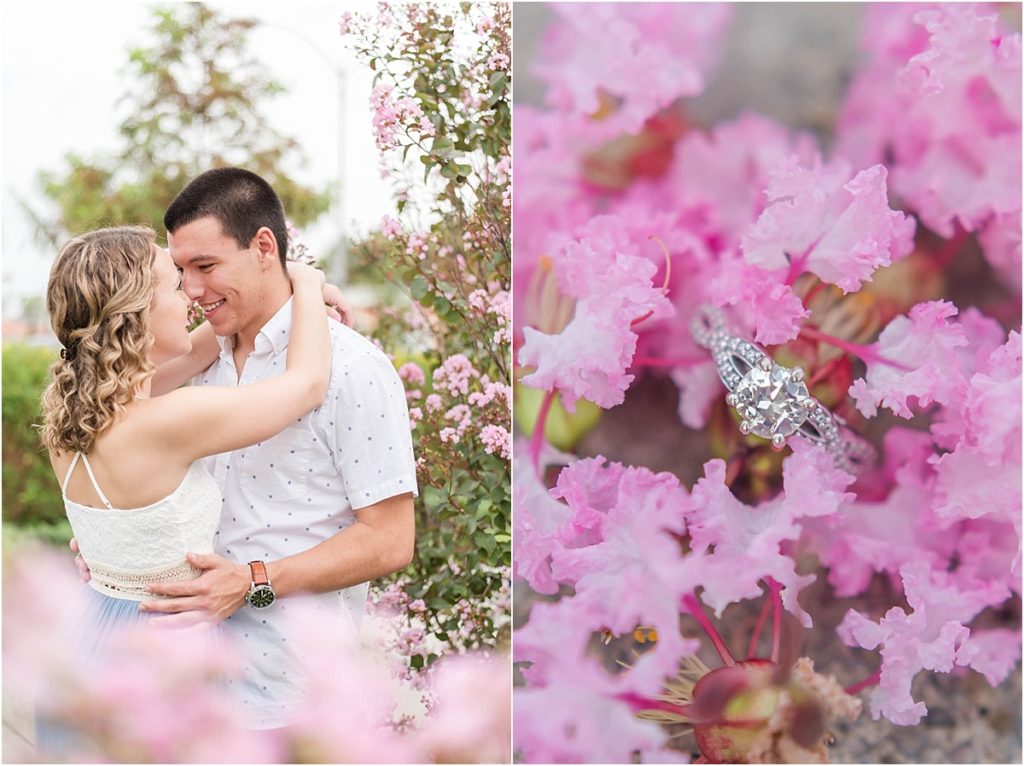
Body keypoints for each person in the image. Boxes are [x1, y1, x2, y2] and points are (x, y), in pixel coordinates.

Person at [85, 168, 419, 730]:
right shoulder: (195, 358)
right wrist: (119, 545)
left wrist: (254, 583)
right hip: (185, 692)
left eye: (206, 266)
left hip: (289, 698)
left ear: (265, 247)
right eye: (181, 271)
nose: (191, 290)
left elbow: (389, 541)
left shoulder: (353, 368)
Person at [38, 225, 331, 747]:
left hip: (87, 637)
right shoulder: (167, 422)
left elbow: (197, 352)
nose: (191, 296)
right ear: (139, 314)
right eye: (174, 286)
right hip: (154, 661)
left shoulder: (72, 415)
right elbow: (305, 385)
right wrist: (306, 284)